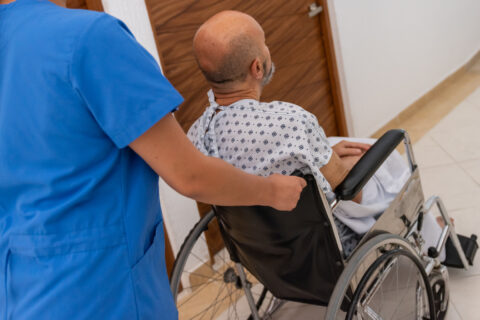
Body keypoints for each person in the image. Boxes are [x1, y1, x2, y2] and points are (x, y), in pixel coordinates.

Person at [0, 1, 306, 319]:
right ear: (257, 66)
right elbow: (190, 175)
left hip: (19, 291)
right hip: (98, 292)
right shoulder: (88, 39)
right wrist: (272, 191)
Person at [187, 10, 444, 257]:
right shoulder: (291, 121)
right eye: (264, 44)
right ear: (257, 68)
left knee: (340, 148)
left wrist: (323, 153)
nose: (267, 49)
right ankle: (431, 235)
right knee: (377, 157)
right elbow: (349, 190)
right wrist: (338, 163)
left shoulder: (196, 136)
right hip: (324, 243)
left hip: (261, 249)